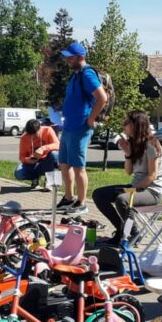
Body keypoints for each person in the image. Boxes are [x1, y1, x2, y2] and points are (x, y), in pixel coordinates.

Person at [92, 111, 162, 244]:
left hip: (152, 191)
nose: (123, 125)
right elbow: (129, 171)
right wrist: (127, 154)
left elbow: (152, 175)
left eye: (127, 122)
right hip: (137, 187)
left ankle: (133, 233)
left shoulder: (151, 144)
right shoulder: (134, 143)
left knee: (122, 200)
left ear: (137, 125)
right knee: (98, 194)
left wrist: (131, 190)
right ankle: (121, 230)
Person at [57, 42, 107, 214]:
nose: (67, 60)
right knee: (64, 163)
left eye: (71, 57)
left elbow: (102, 98)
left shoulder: (87, 75)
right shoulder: (75, 75)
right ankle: (69, 198)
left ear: (81, 57)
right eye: (67, 56)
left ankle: (82, 202)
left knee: (78, 167)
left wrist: (91, 118)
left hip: (80, 127)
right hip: (69, 126)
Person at [15, 118, 60, 189]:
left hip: (47, 160)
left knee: (55, 154)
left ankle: (50, 181)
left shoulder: (48, 130)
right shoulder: (24, 138)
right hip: (33, 163)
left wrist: (43, 148)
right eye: (30, 135)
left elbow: (58, 145)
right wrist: (28, 160)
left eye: (35, 134)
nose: (32, 137)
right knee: (19, 173)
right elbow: (21, 157)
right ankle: (35, 178)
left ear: (40, 129)